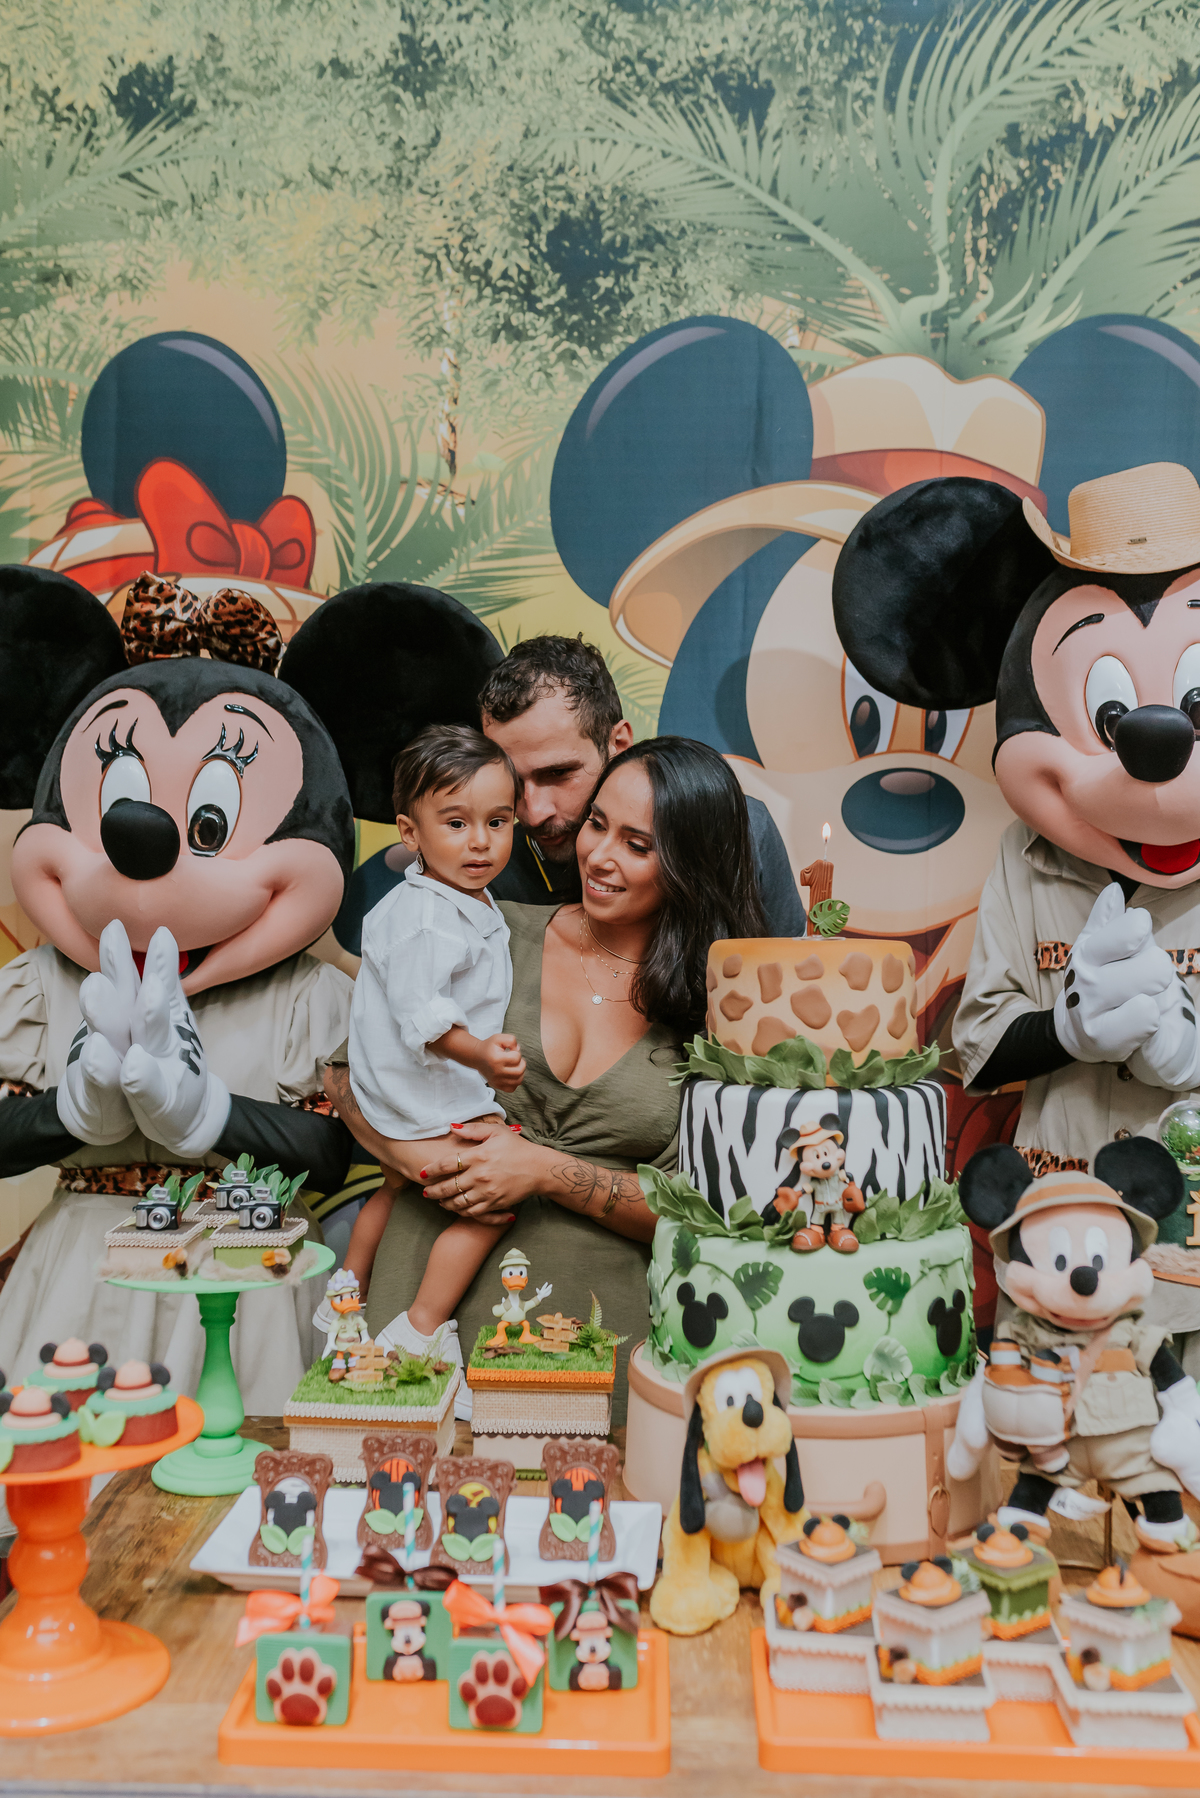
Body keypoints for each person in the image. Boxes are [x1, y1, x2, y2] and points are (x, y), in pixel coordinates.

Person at [324, 736, 768, 1421]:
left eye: (638, 845)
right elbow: (348, 1073)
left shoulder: (718, 1008)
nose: (599, 855)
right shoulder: (484, 928)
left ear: (690, 866)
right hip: (416, 1323)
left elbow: (711, 1218)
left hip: (600, 1340)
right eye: (597, 824)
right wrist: (431, 1165)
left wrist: (542, 1170)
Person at [331, 635, 805, 950]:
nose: (533, 813)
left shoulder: (737, 826)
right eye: (512, 784)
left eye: (558, 774)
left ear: (618, 744)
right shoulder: (477, 864)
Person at [340, 726, 528, 1405]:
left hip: (404, 1091)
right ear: (409, 833)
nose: (480, 842)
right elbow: (425, 1016)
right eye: (456, 823)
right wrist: (481, 1054)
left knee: (390, 1185)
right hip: (419, 1091)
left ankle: (346, 1294)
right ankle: (421, 1327)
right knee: (493, 1198)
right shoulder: (427, 918)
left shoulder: (456, 899)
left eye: (498, 822)